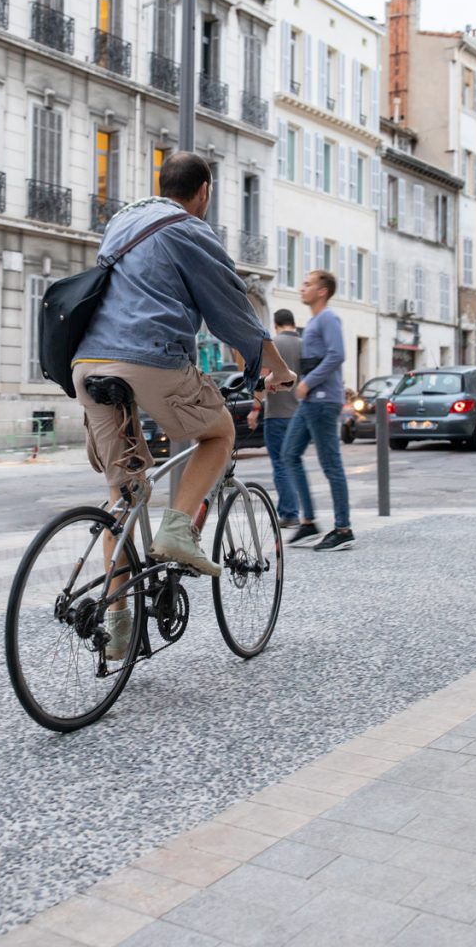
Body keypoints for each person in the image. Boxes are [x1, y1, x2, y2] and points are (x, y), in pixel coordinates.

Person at [71, 153, 295, 655]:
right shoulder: (190, 231)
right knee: (218, 434)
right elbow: (233, 314)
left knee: (125, 497)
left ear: (160, 183)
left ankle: (120, 631)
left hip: (88, 363)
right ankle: (177, 533)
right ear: (205, 191)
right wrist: (277, 370)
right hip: (149, 359)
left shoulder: (123, 221)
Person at [281, 269, 354, 552]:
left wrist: (308, 383)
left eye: (308, 284)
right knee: (289, 454)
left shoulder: (329, 318)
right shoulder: (314, 321)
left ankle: (344, 529)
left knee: (331, 464)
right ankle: (309, 522)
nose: (302, 287)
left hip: (323, 400)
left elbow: (338, 354)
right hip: (310, 400)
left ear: (322, 291)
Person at [247, 309, 301, 528]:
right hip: (298, 416)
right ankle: (296, 511)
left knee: (280, 464)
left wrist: (254, 409)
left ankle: (289, 513)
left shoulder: (273, 343)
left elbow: (262, 378)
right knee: (294, 464)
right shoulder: (304, 344)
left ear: (277, 324)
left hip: (277, 415)